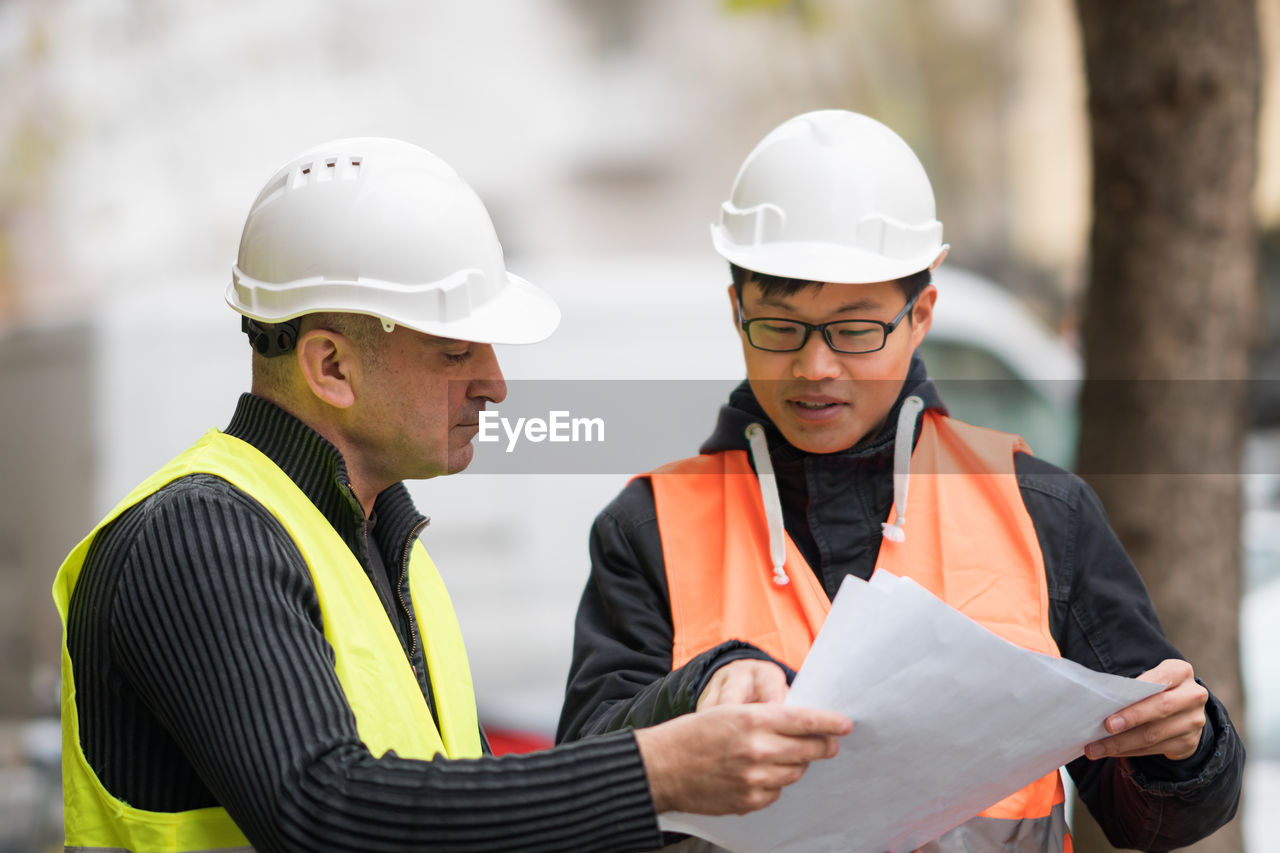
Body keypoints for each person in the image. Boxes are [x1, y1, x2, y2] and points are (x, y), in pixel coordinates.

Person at [51, 137, 853, 853]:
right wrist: (656, 774)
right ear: (331, 366)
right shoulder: (194, 536)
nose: (495, 384)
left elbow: (462, 813)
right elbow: (323, 810)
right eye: (455, 350)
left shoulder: (378, 542)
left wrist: (697, 692)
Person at [557, 110, 1245, 852]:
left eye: (854, 330)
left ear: (920, 315)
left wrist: (1187, 748)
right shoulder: (649, 527)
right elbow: (581, 792)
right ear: (737, 311)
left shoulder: (1043, 511)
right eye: (781, 327)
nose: (815, 368)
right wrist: (695, 690)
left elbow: (1157, 812)